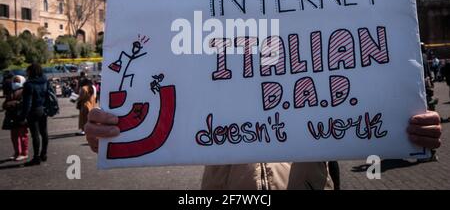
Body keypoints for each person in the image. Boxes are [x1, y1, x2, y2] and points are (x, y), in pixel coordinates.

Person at [84, 108, 441, 189]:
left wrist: (409, 128)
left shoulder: (312, 50)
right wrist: (113, 136)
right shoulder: (203, 61)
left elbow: (370, 102)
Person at [19, 63, 50, 166]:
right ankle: (44, 154)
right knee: (44, 133)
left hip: (33, 111)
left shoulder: (29, 84)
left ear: (31, 72)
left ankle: (36, 157)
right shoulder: (45, 81)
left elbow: (27, 103)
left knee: (35, 135)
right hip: (43, 109)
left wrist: (23, 117)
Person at [2, 75, 29, 161]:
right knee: (14, 136)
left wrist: (11, 103)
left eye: (17, 81)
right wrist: (12, 103)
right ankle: (17, 152)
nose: (15, 83)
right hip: (12, 117)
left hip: (21, 117)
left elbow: (22, 103)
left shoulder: (25, 91)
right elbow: (4, 105)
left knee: (23, 136)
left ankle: (24, 153)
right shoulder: (11, 91)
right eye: (14, 81)